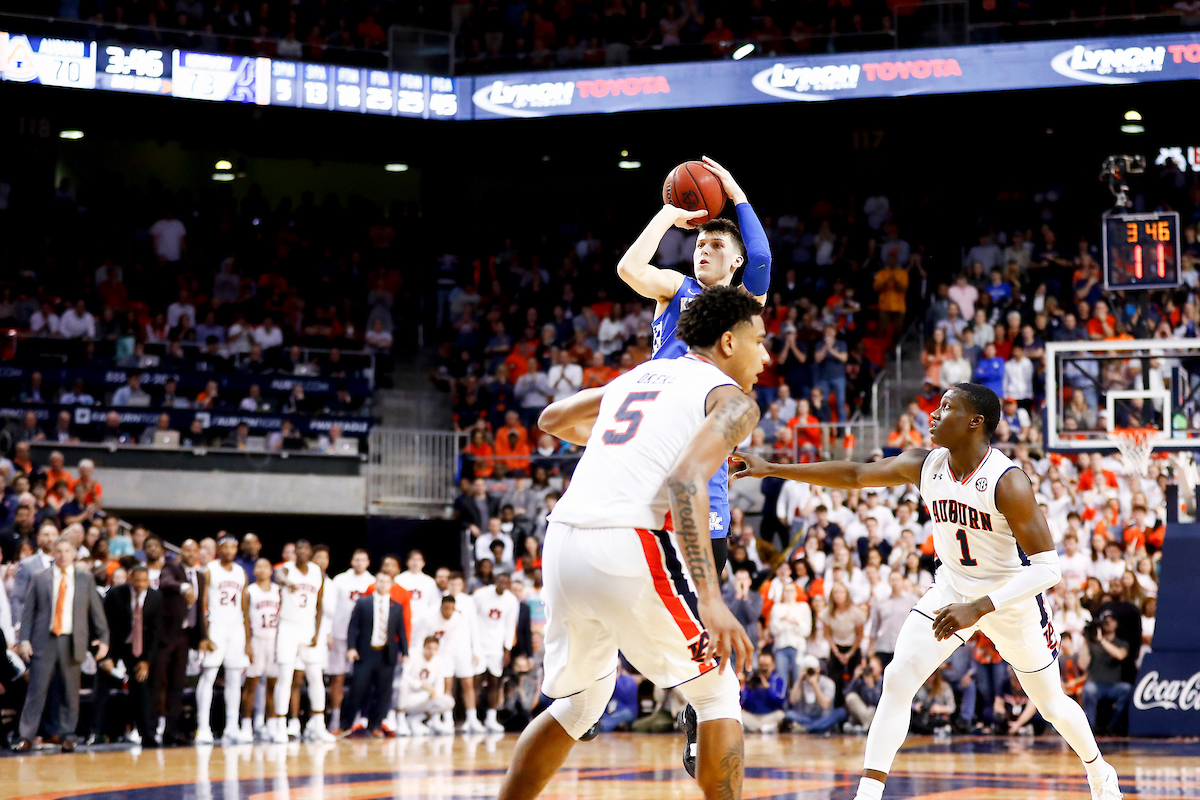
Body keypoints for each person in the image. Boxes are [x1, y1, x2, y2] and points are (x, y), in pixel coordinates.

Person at [733, 382, 1122, 800]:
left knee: (1051, 706)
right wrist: (772, 467)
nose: (933, 415)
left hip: (1011, 600)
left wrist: (980, 607)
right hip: (952, 588)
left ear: (975, 422)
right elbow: (856, 474)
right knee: (897, 677)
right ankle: (868, 794)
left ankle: (1099, 772)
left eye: (946, 407)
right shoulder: (927, 464)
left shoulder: (1007, 481)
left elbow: (1048, 570)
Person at [495, 286, 766, 800]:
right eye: (762, 341)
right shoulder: (734, 402)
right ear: (729, 342)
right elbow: (687, 482)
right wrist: (711, 600)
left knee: (579, 705)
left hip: (565, 542)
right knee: (716, 693)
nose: (767, 356)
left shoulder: (640, 375)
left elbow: (551, 419)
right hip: (629, 542)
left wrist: (634, 438)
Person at [614, 158, 771, 776]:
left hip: (702, 466)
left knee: (697, 614)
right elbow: (629, 267)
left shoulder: (739, 303)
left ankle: (697, 712)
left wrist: (731, 190)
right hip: (651, 449)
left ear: (732, 264)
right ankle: (595, 686)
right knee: (624, 588)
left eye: (714, 245)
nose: (702, 250)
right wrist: (668, 215)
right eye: (698, 244)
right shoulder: (673, 289)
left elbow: (758, 251)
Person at [14, 535, 109, 752]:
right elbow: (29, 611)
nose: (63, 555)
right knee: (36, 691)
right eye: (59, 551)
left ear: (74, 554)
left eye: (68, 551)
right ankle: (26, 735)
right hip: (43, 639)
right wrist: (24, 640)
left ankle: (68, 735)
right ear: (53, 553)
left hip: (72, 640)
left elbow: (96, 612)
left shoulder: (85, 579)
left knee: (70, 692)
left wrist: (103, 639)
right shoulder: (40, 577)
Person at [270, 540, 335, 742]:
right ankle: (281, 724)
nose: (302, 552)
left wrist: (317, 631)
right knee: (285, 677)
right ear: (295, 553)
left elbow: (320, 603)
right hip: (288, 627)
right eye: (299, 549)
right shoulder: (286, 569)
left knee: (316, 676)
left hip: (308, 627)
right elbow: (278, 576)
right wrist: (288, 582)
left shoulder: (316, 571)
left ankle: (319, 724)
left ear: (310, 552)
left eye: (306, 549)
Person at [95, 565, 161, 746]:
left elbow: (156, 633)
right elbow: (105, 625)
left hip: (140, 648)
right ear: (131, 578)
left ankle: (147, 735)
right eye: (137, 580)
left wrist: (146, 661)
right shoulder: (115, 594)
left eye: (144, 581)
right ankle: (96, 732)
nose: (140, 584)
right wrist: (106, 656)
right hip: (116, 644)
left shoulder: (156, 597)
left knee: (141, 686)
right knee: (102, 682)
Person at [195, 535, 251, 744]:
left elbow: (245, 606)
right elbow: (202, 603)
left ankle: (231, 727)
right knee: (209, 675)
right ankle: (203, 727)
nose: (229, 550)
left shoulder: (240, 572)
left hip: (236, 627)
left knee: (235, 678)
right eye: (225, 547)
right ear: (219, 549)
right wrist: (204, 633)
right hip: (216, 625)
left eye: (232, 547)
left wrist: (248, 637)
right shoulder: (210, 569)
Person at [155, 537, 206, 746]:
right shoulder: (170, 568)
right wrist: (184, 587)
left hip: (187, 635)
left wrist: (202, 637)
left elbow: (200, 607)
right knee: (160, 681)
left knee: (178, 683)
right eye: (187, 550)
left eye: (194, 550)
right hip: (168, 634)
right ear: (181, 552)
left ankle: (172, 731)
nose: (190, 554)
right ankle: (154, 726)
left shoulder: (201, 576)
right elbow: (165, 582)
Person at [344, 571, 408, 737]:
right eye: (380, 581)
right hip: (365, 652)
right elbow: (353, 626)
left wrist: (405, 652)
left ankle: (376, 724)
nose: (383, 584)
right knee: (357, 688)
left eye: (386, 582)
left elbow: (401, 631)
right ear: (375, 583)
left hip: (386, 654)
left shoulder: (396, 606)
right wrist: (351, 647)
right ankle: (346, 724)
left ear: (391, 585)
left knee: (383, 691)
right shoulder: (364, 602)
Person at [329, 549, 375, 733]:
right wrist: (329, 632)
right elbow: (330, 608)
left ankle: (357, 717)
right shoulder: (340, 580)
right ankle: (335, 717)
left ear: (368, 562)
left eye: (363, 559)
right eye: (356, 559)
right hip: (340, 634)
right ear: (351, 561)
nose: (359, 562)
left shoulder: (372, 582)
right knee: (337, 677)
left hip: (362, 639)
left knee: (361, 679)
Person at [417, 594, 475, 734]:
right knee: (438, 687)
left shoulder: (458, 618)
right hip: (431, 656)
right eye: (446, 608)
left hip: (449, 655)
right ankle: (434, 719)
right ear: (441, 607)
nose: (448, 612)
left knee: (453, 687)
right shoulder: (428, 617)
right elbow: (419, 641)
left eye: (451, 609)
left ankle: (454, 719)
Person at [472, 572, 520, 732]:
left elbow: (510, 625)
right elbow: (472, 619)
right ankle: (471, 718)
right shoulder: (480, 595)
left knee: (495, 681)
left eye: (507, 582)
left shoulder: (511, 600)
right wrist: (472, 644)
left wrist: (507, 649)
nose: (503, 584)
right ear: (495, 581)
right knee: (476, 682)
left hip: (496, 647)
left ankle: (491, 718)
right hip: (479, 644)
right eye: (500, 580)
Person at [240, 558, 280, 741]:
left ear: (271, 570)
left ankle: (269, 724)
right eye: (258, 567)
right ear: (254, 571)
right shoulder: (250, 591)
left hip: (273, 640)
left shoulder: (278, 591)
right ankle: (246, 725)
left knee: (273, 685)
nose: (261, 570)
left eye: (265, 566)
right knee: (251, 685)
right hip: (256, 639)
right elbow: (245, 619)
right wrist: (247, 643)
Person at [1079, 612, 1133, 733]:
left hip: (1113, 685)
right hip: (1096, 684)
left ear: (1116, 624)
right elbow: (1082, 664)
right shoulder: (1091, 643)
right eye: (1105, 621)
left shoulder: (1121, 642)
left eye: (1111, 620)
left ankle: (1112, 726)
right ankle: (1090, 727)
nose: (1107, 623)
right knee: (1088, 689)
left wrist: (1102, 640)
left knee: (1127, 689)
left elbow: (1120, 655)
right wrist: (1085, 640)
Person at [399, 636, 454, 735]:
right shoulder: (413, 655)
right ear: (423, 647)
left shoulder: (439, 660)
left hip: (424, 698)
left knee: (448, 701)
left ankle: (418, 719)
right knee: (402, 684)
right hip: (408, 697)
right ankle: (401, 720)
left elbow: (439, 684)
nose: (432, 652)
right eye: (429, 648)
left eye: (435, 649)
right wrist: (421, 685)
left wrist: (434, 693)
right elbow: (404, 676)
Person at [397, 549, 441, 621]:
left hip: (424, 620)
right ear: (407, 562)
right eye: (413, 559)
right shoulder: (399, 580)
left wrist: (426, 616)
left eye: (418, 560)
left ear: (423, 563)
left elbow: (434, 603)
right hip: (404, 619)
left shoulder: (430, 582)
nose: (415, 563)